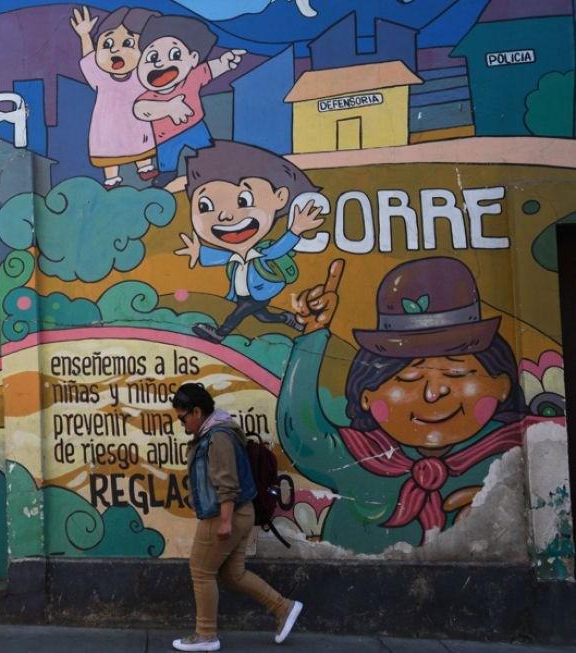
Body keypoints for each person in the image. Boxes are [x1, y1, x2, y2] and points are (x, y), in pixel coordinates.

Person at [278, 257, 527, 553]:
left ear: (502, 385)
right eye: (409, 377)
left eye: (457, 373)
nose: (434, 393)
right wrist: (312, 336)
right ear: (367, 395)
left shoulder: (510, 457)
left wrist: (497, 507)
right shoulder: (362, 456)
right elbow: (302, 435)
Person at [172, 382, 303, 651]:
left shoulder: (217, 437)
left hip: (225, 514)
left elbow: (227, 482)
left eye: (182, 417)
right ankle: (283, 607)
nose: (181, 423)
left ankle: (206, 635)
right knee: (233, 575)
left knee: (201, 570)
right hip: (241, 512)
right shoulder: (218, 431)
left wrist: (225, 521)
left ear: (197, 412)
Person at [173, 141, 325, 343]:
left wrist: (295, 230)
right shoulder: (235, 254)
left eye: (243, 200)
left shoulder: (262, 253)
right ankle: (289, 319)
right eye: (205, 205)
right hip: (244, 293)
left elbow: (277, 251)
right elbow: (223, 257)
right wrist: (198, 252)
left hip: (262, 291)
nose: (226, 216)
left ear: (280, 197)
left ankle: (220, 333)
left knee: (240, 313)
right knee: (264, 317)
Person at [133, 16, 245, 187]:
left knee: (207, 150)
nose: (162, 63)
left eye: (174, 55)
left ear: (193, 58)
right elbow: (140, 110)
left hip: (195, 127)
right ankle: (168, 173)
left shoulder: (192, 78)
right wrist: (169, 108)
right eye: (153, 57)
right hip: (166, 137)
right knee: (167, 161)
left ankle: (214, 166)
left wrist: (225, 62)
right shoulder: (148, 96)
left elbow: (210, 69)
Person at [70, 5, 159, 188]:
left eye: (127, 43)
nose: (115, 51)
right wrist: (85, 35)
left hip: (136, 124)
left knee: (141, 144)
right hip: (108, 127)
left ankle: (144, 166)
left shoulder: (141, 75)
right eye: (107, 44)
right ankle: (112, 178)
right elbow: (89, 59)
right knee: (108, 151)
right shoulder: (101, 77)